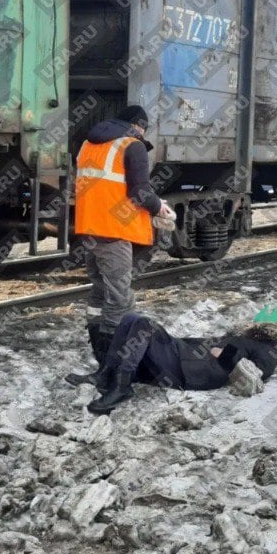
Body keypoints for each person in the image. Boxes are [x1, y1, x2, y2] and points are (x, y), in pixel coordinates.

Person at [74, 105, 174, 369]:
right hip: (114, 230)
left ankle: (98, 346)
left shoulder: (88, 144)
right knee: (120, 297)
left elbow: (107, 187)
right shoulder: (133, 145)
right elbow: (139, 191)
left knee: (99, 290)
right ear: (139, 125)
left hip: (90, 227)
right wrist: (159, 207)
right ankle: (113, 363)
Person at [67, 310, 277, 414]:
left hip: (189, 370)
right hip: (180, 355)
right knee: (130, 318)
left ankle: (122, 385)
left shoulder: (267, 349)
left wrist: (223, 354)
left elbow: (257, 374)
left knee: (144, 323)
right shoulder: (241, 338)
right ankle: (107, 374)